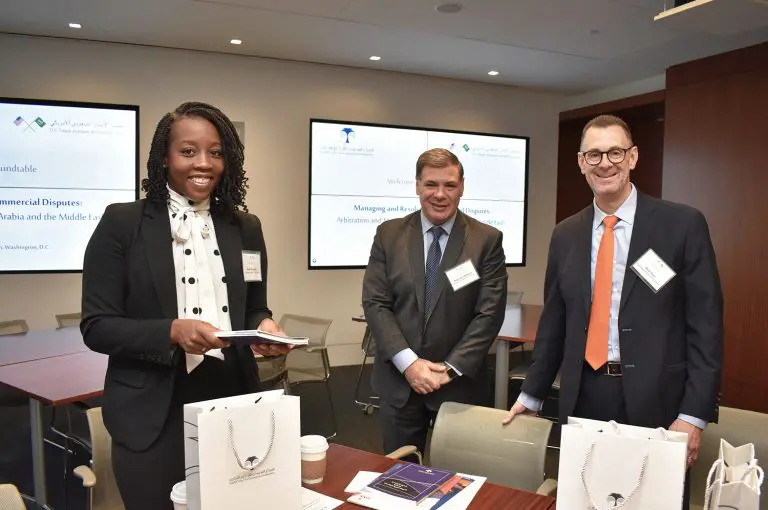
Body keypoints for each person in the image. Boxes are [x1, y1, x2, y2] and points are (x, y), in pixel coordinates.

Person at [503, 114, 724, 507]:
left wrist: (693, 415)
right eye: (594, 154)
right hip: (584, 394)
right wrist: (532, 394)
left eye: (615, 152)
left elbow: (706, 328)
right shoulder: (565, 234)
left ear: (633, 157)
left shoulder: (682, 224)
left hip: (659, 399)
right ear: (581, 162)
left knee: (653, 503)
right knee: (586, 498)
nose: (604, 163)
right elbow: (555, 323)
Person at [80, 101, 290, 509]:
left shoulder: (246, 227)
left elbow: (254, 307)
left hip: (233, 399)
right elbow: (97, 326)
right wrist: (172, 331)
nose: (204, 163)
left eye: (216, 152)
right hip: (152, 409)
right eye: (188, 151)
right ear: (164, 157)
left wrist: (264, 327)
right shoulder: (122, 223)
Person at [362, 148, 508, 458]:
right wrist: (409, 364)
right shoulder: (388, 235)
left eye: (449, 185)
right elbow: (376, 303)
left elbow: (489, 313)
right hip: (400, 384)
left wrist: (449, 370)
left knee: (459, 479)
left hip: (458, 388)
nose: (440, 194)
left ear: (462, 187)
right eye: (431, 184)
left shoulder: (486, 240)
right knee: (400, 475)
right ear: (417, 185)